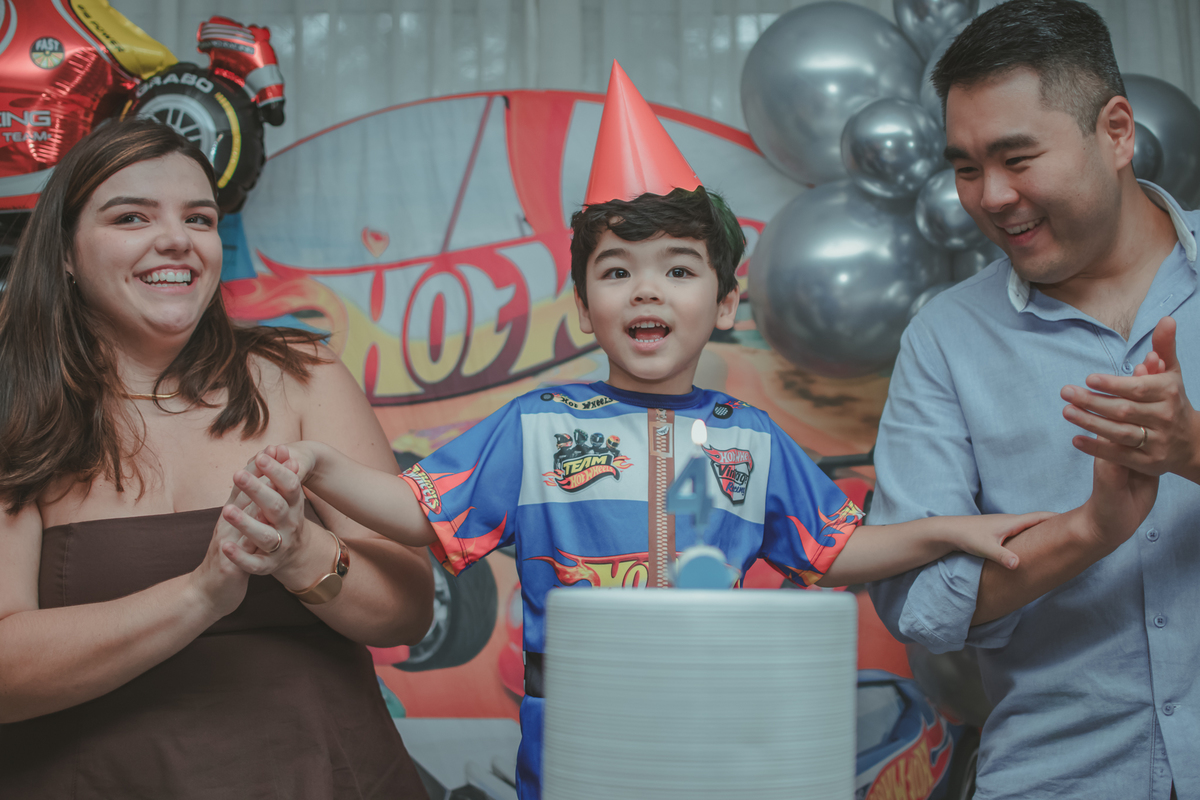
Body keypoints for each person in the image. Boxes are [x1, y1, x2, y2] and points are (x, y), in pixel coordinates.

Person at [232, 64, 1133, 800]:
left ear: (726, 300)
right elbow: (417, 509)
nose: (647, 290)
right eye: (617, 271)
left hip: (722, 743)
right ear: (584, 306)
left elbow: (832, 549)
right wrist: (319, 468)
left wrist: (945, 530)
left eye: (678, 269)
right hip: (575, 750)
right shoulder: (535, 428)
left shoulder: (755, 438)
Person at [0, 119, 433, 799]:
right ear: (63, 252)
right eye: (132, 216)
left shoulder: (302, 373)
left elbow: (409, 609)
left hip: (325, 777)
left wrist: (299, 553)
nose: (176, 239)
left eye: (198, 218)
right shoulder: (14, 407)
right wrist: (199, 594)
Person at [867, 1, 1194, 797]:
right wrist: (1089, 531)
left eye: (1018, 157)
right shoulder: (945, 338)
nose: (990, 195)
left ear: (1116, 131)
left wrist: (1195, 451)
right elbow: (916, 603)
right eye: (967, 166)